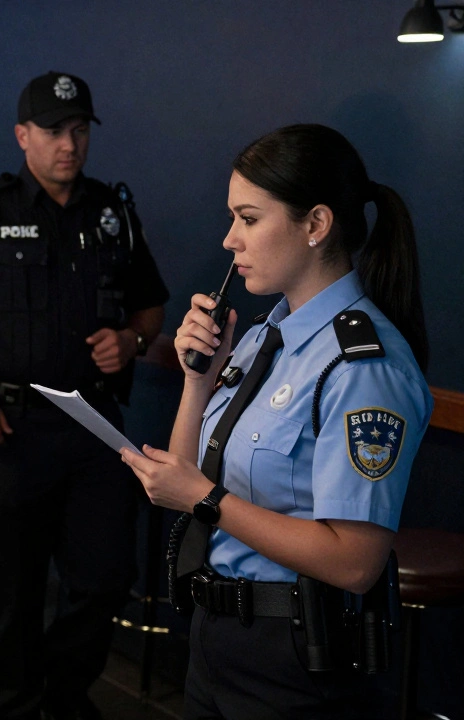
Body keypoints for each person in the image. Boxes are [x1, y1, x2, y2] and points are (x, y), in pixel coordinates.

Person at [121, 124, 432, 719]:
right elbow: (187, 478)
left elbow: (355, 563)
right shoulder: (266, 335)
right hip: (217, 634)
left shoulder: (362, 366)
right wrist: (197, 381)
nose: (229, 240)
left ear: (316, 224)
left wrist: (207, 500)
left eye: (249, 218)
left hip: (295, 654)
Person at [0, 71, 169, 720]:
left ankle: (63, 692)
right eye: (54, 131)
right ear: (22, 135)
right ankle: (17, 707)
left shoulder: (111, 213)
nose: (69, 144)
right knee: (11, 589)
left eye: (80, 130)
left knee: (106, 576)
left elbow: (150, 307)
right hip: (10, 427)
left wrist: (132, 341)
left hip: (95, 427)